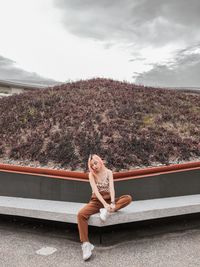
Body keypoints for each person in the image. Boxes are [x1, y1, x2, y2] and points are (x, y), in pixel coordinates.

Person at [77, 154, 132, 261]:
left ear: (100, 161)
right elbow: (96, 193)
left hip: (108, 201)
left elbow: (111, 188)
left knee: (128, 198)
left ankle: (108, 210)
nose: (94, 167)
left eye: (95, 163)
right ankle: (86, 244)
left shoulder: (109, 172)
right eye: (91, 165)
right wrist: (105, 205)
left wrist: (111, 203)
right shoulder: (91, 175)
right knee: (81, 214)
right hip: (96, 201)